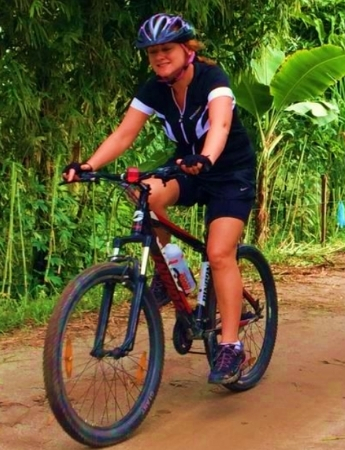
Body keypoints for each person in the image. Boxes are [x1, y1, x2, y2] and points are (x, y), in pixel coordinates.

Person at [62, 13, 254, 385]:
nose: (160, 57)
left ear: (187, 49)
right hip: (187, 166)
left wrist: (208, 157)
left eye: (166, 49)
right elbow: (123, 135)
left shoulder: (213, 80)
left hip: (230, 172)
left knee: (218, 253)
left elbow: (221, 125)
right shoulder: (154, 88)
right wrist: (87, 165)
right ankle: (173, 276)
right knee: (144, 193)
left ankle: (231, 346)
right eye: (153, 53)